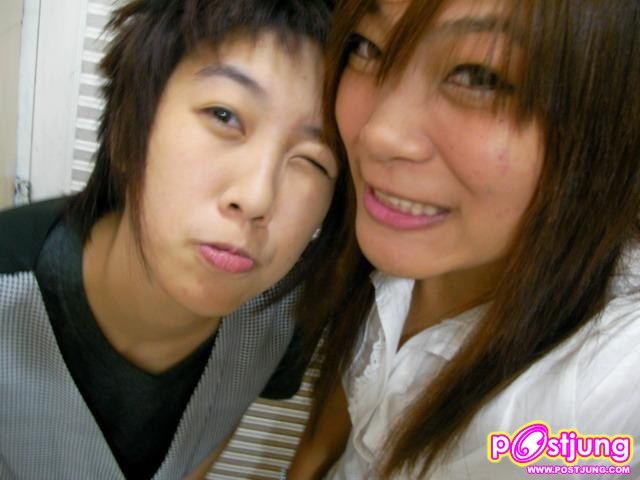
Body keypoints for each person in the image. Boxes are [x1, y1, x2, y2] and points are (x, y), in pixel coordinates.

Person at [289, 0, 640, 478]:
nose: (377, 134)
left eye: (479, 76)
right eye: (368, 47)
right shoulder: (399, 230)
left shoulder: (605, 387)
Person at [0, 0, 344, 478]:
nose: (256, 197)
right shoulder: (10, 293)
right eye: (224, 115)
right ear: (129, 127)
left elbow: (208, 434)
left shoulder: (284, 317)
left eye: (313, 159)